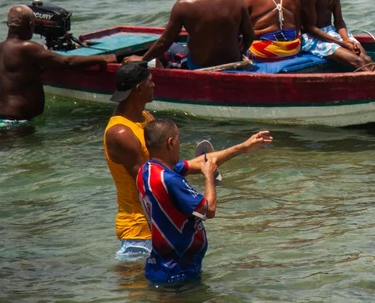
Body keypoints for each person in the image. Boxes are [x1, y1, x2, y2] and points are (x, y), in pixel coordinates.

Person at [103, 63, 272, 261]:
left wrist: (242, 148)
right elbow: (151, 183)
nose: (154, 85)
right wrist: (200, 187)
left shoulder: (145, 118)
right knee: (144, 291)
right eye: (150, 82)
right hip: (139, 232)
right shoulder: (121, 133)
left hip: (159, 229)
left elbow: (169, 169)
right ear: (138, 88)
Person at [0, 5, 116, 127]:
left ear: (8, 25)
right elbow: (66, 62)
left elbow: (17, 75)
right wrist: (104, 58)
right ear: (31, 25)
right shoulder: (27, 48)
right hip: (16, 121)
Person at [131, 0, 254, 70]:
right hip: (232, 61)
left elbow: (164, 42)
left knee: (170, 49)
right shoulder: (236, 0)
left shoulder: (183, 5)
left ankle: (164, 79)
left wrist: (142, 59)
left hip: (198, 66)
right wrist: (239, 52)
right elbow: (249, 36)